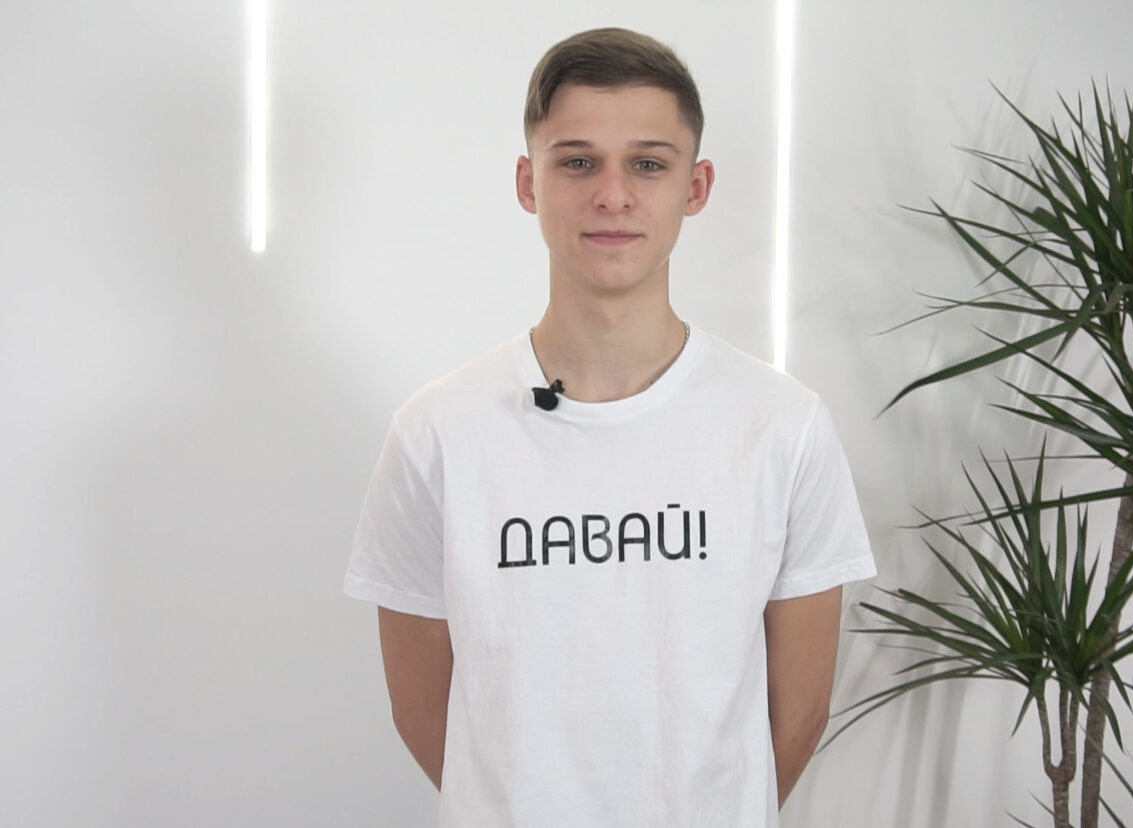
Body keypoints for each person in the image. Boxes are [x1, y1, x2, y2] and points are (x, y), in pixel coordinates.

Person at [343, 26, 876, 827]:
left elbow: (797, 717)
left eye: (648, 164)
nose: (614, 195)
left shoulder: (783, 428)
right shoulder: (435, 434)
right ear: (528, 182)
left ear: (696, 186)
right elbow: (426, 714)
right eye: (578, 162)